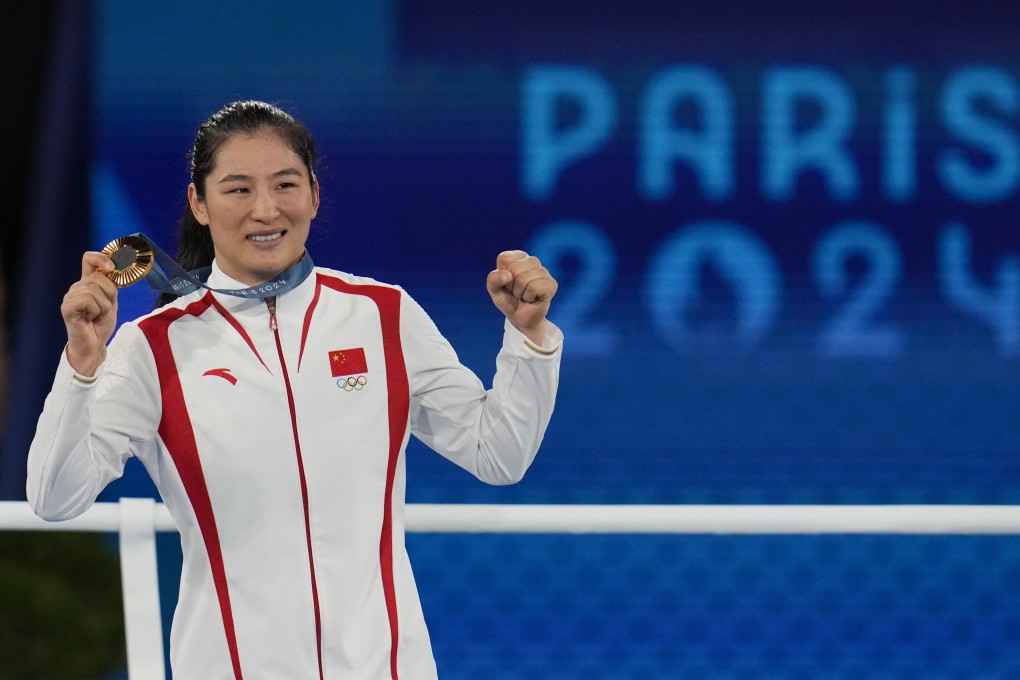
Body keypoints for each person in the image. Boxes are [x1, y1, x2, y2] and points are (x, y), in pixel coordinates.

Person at [26, 100, 562, 679]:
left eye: (285, 184)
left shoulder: (383, 315)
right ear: (198, 204)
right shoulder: (153, 346)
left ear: (313, 195)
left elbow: (498, 454)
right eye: (236, 189)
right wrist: (82, 366)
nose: (265, 209)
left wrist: (527, 340)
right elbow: (56, 498)